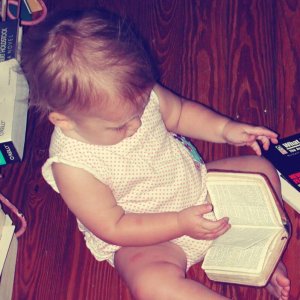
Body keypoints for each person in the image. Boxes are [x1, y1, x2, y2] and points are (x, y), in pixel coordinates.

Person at [21, 8, 290, 300]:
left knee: (259, 169)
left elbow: (180, 112)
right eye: (121, 125)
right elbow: (114, 226)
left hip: (196, 191)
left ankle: (258, 256)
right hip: (144, 238)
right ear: (64, 120)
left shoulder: (131, 96)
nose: (137, 124)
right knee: (152, 287)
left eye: (140, 109)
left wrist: (226, 129)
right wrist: (178, 223)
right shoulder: (72, 166)